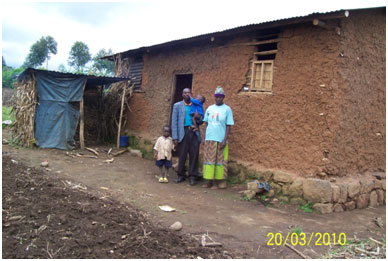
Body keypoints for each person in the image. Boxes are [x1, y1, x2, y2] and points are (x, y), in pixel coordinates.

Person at [202, 86, 234, 189]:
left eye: (221, 97)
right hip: (209, 139)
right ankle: (208, 181)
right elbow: (206, 124)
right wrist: (204, 137)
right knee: (209, 161)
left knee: (218, 162)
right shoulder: (210, 108)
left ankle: (216, 183)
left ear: (223, 97)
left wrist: (224, 140)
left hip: (220, 140)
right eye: (217, 97)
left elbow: (228, 126)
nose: (219, 98)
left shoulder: (227, 109)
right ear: (214, 97)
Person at [171, 88, 201, 186]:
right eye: (185, 93)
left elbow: (202, 120)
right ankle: (181, 175)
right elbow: (174, 122)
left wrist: (198, 118)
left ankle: (192, 176)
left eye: (188, 92)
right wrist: (175, 137)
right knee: (182, 155)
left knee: (194, 155)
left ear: (191, 94)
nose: (187, 94)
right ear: (182, 95)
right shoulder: (177, 105)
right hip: (182, 132)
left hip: (194, 132)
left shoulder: (196, 105)